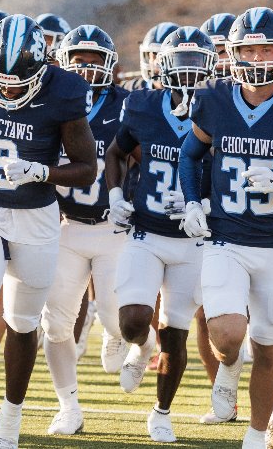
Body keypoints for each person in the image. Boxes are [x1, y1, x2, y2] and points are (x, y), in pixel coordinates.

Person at [176, 7, 273, 449]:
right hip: (225, 238)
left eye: (267, 47)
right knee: (227, 334)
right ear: (233, 52)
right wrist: (192, 201)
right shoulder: (213, 97)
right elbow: (190, 155)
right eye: (249, 48)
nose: (259, 56)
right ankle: (228, 365)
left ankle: (254, 437)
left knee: (268, 347)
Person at [0, 14, 98, 448]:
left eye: (21, 81)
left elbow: (88, 169)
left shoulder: (65, 92)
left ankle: (11, 417)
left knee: (22, 323)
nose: (10, 89)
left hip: (36, 215)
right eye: (1, 79)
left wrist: (43, 171)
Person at [106, 26, 212, 442]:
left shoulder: (221, 109)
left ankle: (161, 411)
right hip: (147, 231)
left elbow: (226, 172)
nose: (186, 76)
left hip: (194, 239)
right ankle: (140, 345)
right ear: (161, 68)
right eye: (179, 65)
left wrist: (204, 205)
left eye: (195, 66)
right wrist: (116, 192)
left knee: (176, 332)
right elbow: (116, 151)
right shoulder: (143, 105)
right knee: (133, 321)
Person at [44, 23, 128, 436]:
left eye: (95, 62)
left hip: (114, 227)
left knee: (118, 321)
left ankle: (135, 342)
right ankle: (68, 406)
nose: (86, 69)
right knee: (55, 322)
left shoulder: (129, 105)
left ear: (111, 66)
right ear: (63, 62)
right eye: (78, 60)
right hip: (65, 226)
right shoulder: (49, 100)